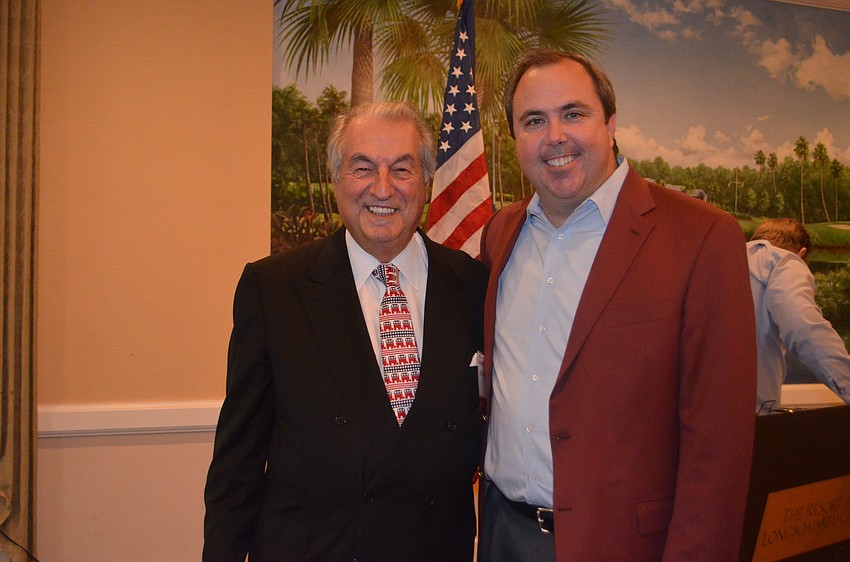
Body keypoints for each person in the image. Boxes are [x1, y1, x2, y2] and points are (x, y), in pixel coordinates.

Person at [477, 49, 756, 561]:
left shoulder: (701, 237)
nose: (555, 135)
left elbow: (718, 446)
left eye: (574, 113)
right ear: (515, 139)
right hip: (501, 533)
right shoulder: (501, 234)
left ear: (609, 122)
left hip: (624, 546)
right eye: (534, 120)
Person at [203, 101, 487, 562]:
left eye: (402, 168)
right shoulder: (274, 289)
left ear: (426, 180)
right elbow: (236, 466)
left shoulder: (473, 287)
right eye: (362, 168)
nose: (382, 188)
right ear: (336, 179)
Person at [747, 217, 850, 413]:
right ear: (801, 253)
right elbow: (803, 328)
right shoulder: (783, 261)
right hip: (745, 418)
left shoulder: (724, 260)